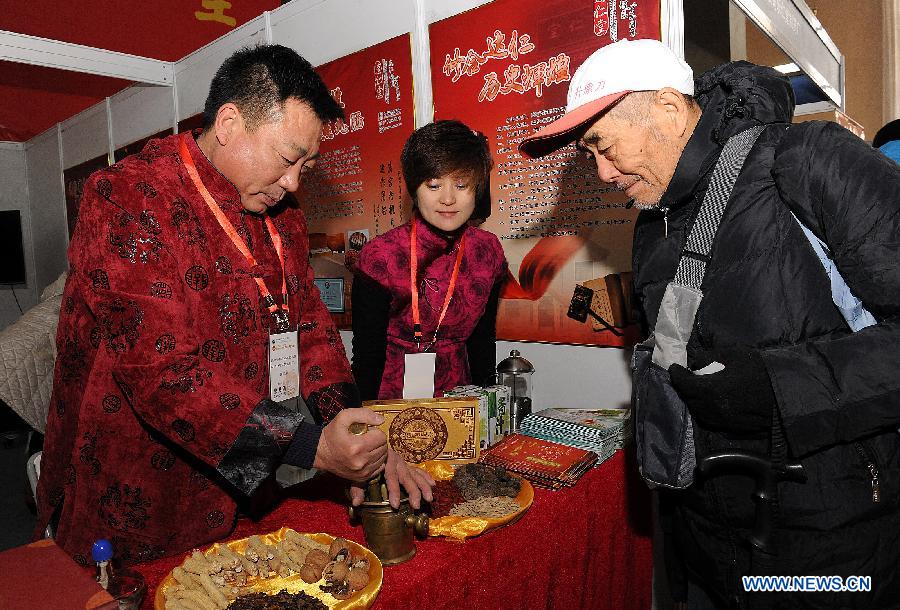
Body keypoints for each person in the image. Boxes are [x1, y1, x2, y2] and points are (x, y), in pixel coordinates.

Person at [520, 38, 900, 608]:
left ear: (670, 110)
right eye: (588, 154)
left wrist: (779, 388)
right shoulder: (655, 224)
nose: (600, 172)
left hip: (830, 550)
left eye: (602, 145)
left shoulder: (809, 160)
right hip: (707, 543)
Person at [35, 44, 430, 566]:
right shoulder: (127, 197)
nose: (293, 182)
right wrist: (313, 448)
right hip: (138, 488)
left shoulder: (279, 211)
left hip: (250, 480)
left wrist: (360, 437)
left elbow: (310, 330)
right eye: (288, 158)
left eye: (305, 166)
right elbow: (164, 373)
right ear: (228, 122)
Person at [351, 120, 507, 400]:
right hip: (391, 401)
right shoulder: (380, 255)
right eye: (433, 185)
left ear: (478, 189)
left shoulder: (488, 252)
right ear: (414, 189)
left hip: (462, 401)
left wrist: (488, 411)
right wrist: (363, 417)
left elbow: (483, 342)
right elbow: (367, 353)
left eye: (461, 185)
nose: (448, 198)